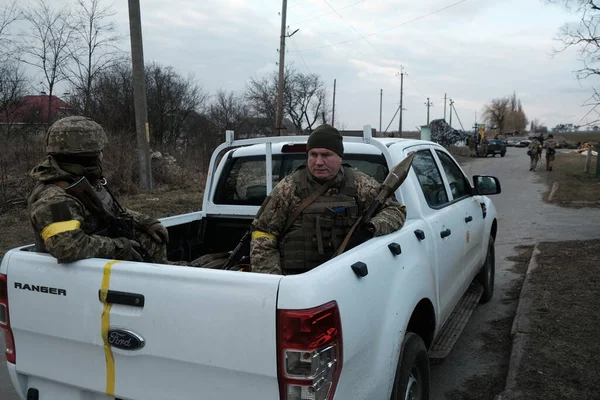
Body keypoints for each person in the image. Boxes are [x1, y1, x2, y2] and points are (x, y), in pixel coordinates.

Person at [249, 124, 407, 275]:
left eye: (326, 155)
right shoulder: (288, 188)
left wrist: (371, 228)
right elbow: (263, 234)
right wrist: (274, 281)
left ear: (339, 157)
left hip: (347, 277)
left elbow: (395, 211)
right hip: (297, 281)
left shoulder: (360, 184)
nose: (318, 162)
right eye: (313, 155)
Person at [27, 116, 170, 264]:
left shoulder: (82, 182)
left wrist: (146, 222)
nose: (102, 155)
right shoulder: (54, 198)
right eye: (99, 151)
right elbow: (68, 247)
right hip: (86, 275)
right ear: (87, 156)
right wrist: (119, 247)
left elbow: (111, 211)